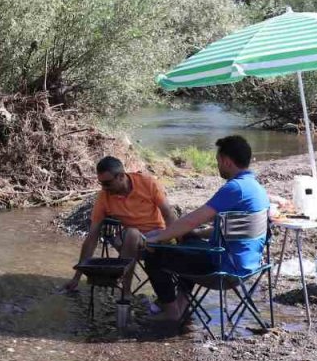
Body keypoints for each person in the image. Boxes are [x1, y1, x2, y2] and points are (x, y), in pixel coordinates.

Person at [143, 135, 270, 322]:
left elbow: (193, 219)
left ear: (226, 162)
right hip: (248, 264)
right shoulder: (256, 187)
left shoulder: (235, 188)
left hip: (225, 268)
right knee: (187, 239)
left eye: (218, 161)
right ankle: (181, 305)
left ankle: (170, 313)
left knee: (154, 255)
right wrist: (196, 234)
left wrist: (158, 237)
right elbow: (231, 229)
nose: (217, 165)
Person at [63, 156, 180, 310]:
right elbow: (92, 238)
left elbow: (169, 214)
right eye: (101, 184)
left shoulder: (148, 183)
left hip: (158, 237)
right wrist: (77, 276)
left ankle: (126, 294)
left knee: (131, 235)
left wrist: (175, 243)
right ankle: (126, 293)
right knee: (130, 233)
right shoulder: (104, 197)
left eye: (107, 183)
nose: (104, 188)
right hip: (132, 242)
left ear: (121, 177)